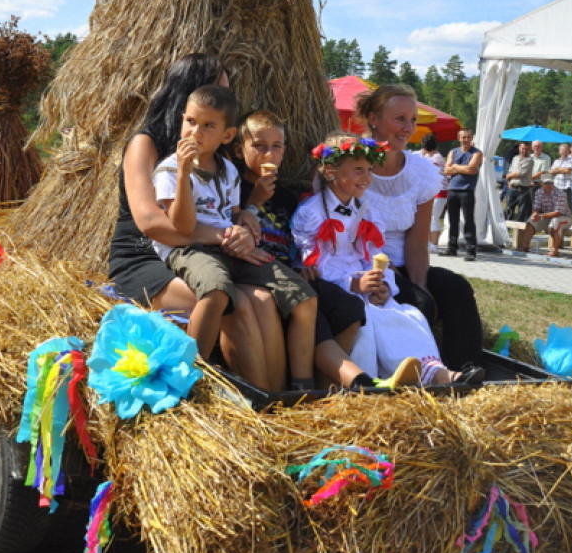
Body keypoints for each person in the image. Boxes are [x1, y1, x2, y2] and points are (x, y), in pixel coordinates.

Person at [109, 53, 286, 392]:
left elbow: (223, 208)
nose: (226, 97)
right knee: (237, 303)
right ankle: (223, 393)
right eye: (219, 89)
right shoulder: (145, 144)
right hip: (145, 257)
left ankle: (277, 401)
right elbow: (151, 223)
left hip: (200, 254)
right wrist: (223, 235)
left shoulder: (216, 155)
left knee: (263, 301)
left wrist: (243, 220)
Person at [153, 85, 318, 391]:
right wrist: (184, 172)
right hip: (190, 248)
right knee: (216, 290)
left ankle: (302, 387)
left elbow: (233, 214)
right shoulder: (169, 169)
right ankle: (190, 376)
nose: (195, 132)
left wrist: (245, 223)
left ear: (227, 136)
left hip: (227, 245)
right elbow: (183, 227)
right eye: (190, 122)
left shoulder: (228, 170)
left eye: (208, 126)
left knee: (303, 295)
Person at [291, 136, 482, 386]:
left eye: (369, 170)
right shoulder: (312, 213)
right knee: (368, 324)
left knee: (407, 315)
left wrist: (383, 285)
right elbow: (315, 266)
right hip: (336, 286)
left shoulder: (366, 209)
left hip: (365, 286)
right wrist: (353, 284)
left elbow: (375, 255)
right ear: (330, 171)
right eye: (358, 169)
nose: (367, 178)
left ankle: (435, 373)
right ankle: (376, 380)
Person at [233, 109, 374, 389]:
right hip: (256, 273)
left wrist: (303, 265)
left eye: (276, 147)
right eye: (260, 146)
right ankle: (335, 384)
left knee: (350, 308)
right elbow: (232, 233)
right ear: (239, 151)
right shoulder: (234, 189)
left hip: (291, 272)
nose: (269, 154)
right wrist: (255, 201)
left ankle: (328, 388)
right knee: (310, 309)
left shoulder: (286, 196)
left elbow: (297, 241)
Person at [355, 83, 484, 372]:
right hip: (362, 264)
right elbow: (346, 232)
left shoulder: (420, 171)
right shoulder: (352, 165)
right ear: (373, 119)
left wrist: (420, 284)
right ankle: (423, 378)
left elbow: (417, 240)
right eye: (399, 118)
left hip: (405, 264)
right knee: (417, 305)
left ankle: (466, 372)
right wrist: (406, 286)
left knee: (455, 287)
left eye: (412, 120)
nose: (408, 128)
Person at [444, 128, 483, 262]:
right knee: (452, 220)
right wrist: (462, 168)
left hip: (467, 190)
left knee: (468, 221)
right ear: (458, 138)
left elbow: (472, 169)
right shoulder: (453, 152)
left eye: (468, 137)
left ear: (472, 138)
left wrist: (455, 167)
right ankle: (452, 247)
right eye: (463, 137)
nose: (465, 140)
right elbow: (447, 170)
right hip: (452, 189)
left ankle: (471, 250)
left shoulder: (477, 153)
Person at [516, 173, 572, 256]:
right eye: (546, 183)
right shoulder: (539, 192)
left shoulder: (561, 193)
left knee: (555, 222)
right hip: (547, 217)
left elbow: (558, 213)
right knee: (530, 221)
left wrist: (540, 216)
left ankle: (555, 250)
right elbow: (536, 207)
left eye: (551, 183)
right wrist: (535, 214)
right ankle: (525, 246)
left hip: (564, 218)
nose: (549, 185)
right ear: (541, 184)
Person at [419, 133, 447, 253]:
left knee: (434, 217)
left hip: (439, 192)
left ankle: (434, 244)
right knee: (430, 217)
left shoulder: (435, 159)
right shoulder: (434, 156)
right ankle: (430, 243)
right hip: (435, 192)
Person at [506, 142, 534, 221]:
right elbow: (510, 171)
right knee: (509, 208)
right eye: (523, 149)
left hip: (523, 188)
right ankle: (506, 226)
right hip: (512, 187)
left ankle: (520, 227)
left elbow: (521, 173)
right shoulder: (515, 158)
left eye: (526, 149)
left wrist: (509, 176)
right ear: (519, 148)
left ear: (529, 149)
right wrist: (509, 182)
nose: (524, 151)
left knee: (522, 211)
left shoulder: (529, 160)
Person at [551, 143, 572, 211]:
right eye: (562, 150)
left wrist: (557, 168)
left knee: (567, 206)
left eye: (565, 150)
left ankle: (567, 217)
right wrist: (562, 169)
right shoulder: (556, 161)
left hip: (566, 186)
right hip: (556, 186)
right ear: (559, 151)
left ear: (568, 151)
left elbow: (568, 171)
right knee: (556, 205)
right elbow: (551, 171)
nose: (564, 152)